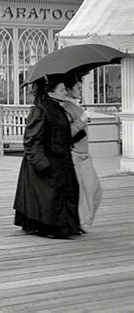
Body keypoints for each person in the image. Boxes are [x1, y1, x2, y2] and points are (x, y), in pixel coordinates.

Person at [13, 76, 82, 239]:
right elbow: (31, 140)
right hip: (46, 162)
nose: (66, 92)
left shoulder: (58, 109)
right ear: (51, 92)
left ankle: (65, 226)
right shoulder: (39, 110)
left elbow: (62, 136)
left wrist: (80, 128)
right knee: (49, 195)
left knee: (67, 190)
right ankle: (51, 227)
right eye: (62, 89)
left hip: (61, 160)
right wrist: (42, 164)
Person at [61, 74, 102, 228]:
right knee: (84, 191)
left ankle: (82, 221)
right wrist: (82, 120)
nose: (81, 90)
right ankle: (79, 222)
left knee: (92, 189)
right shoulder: (65, 108)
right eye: (77, 87)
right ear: (69, 90)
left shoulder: (75, 106)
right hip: (76, 155)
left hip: (84, 154)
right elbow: (66, 133)